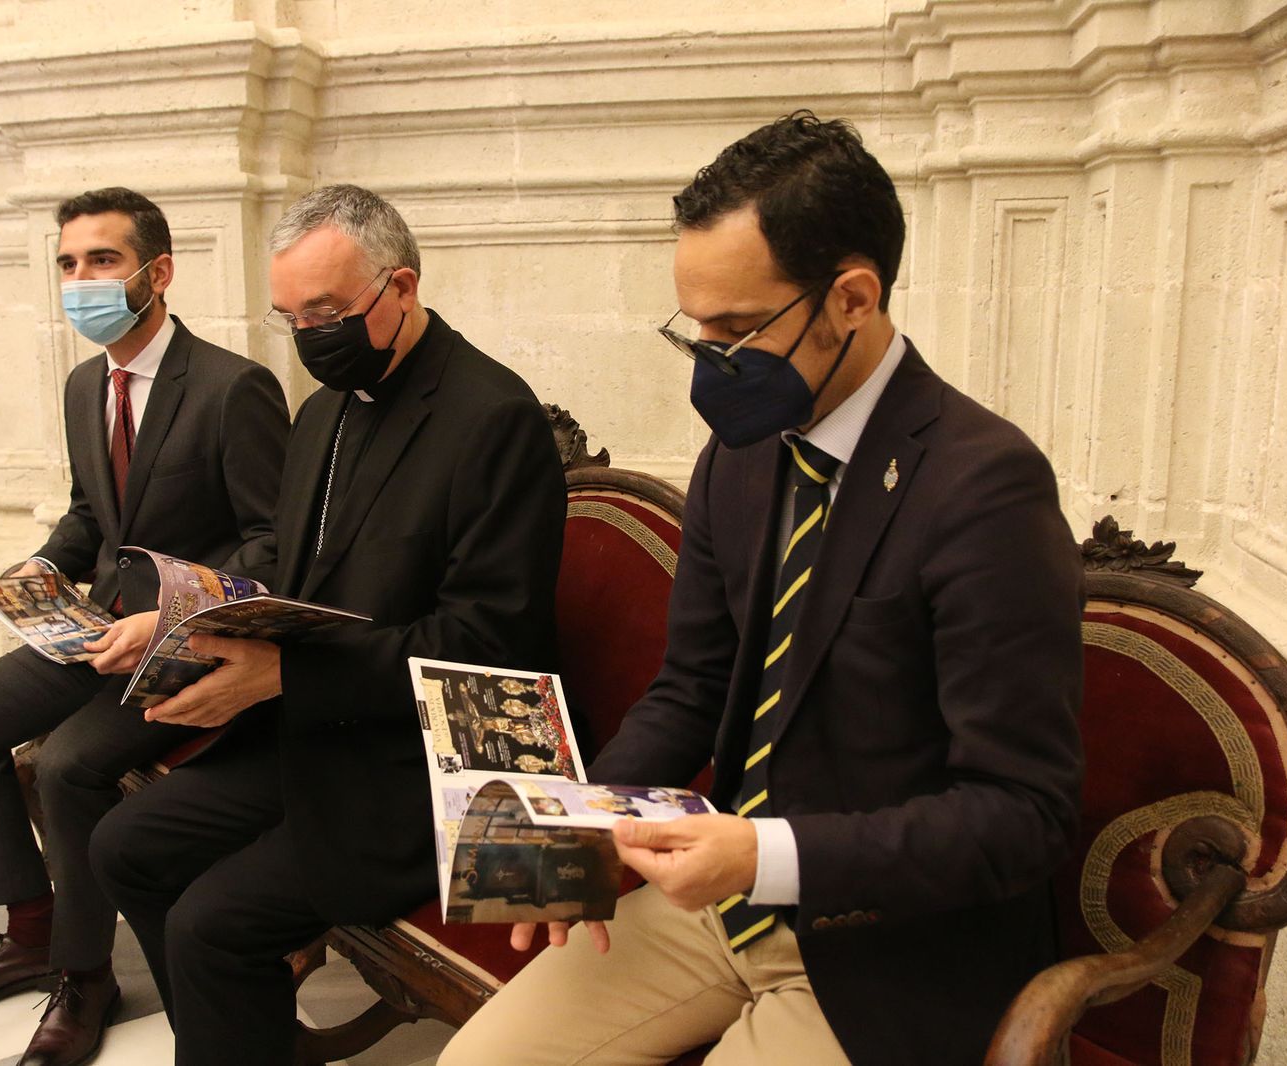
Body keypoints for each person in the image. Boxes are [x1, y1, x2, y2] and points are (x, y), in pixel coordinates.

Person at [440, 112, 1085, 1066]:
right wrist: (579, 829)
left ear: (852, 298)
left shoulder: (983, 485)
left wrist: (767, 854)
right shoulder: (739, 457)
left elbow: (1022, 813)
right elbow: (692, 685)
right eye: (696, 328)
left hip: (893, 946)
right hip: (722, 904)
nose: (712, 357)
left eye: (739, 328)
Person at [86, 184, 567, 1066]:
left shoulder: (492, 418)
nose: (310, 336)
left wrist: (284, 676)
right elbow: (293, 572)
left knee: (209, 924)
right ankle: (244, 1036)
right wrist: (190, 619)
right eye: (292, 318)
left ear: (401, 287)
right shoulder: (323, 410)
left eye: (327, 312)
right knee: (123, 846)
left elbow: (489, 651)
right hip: (310, 729)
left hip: (416, 764)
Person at [0, 187, 289, 1066]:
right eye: (68, 264)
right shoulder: (87, 383)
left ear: (158, 272)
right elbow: (93, 516)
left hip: (187, 644)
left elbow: (274, 545)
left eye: (103, 260)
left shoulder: (234, 387)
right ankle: (32, 929)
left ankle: (85, 977)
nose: (81, 280)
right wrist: (44, 565)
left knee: (68, 766)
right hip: (93, 627)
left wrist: (172, 615)